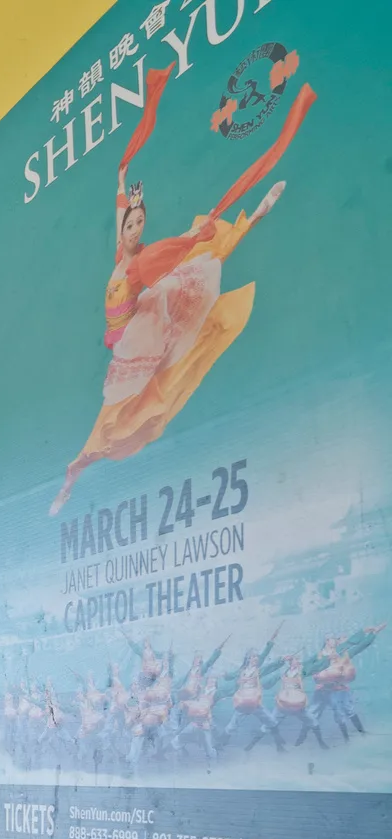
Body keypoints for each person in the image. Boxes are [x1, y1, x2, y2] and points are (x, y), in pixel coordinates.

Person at [49, 67, 316, 516]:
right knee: (108, 421)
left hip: (142, 330)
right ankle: (71, 478)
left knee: (199, 269)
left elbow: (174, 252)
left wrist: (196, 235)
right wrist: (123, 179)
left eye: (139, 223)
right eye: (131, 223)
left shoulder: (142, 262)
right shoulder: (122, 253)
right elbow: (121, 207)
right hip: (128, 340)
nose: (135, 228)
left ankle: (255, 216)